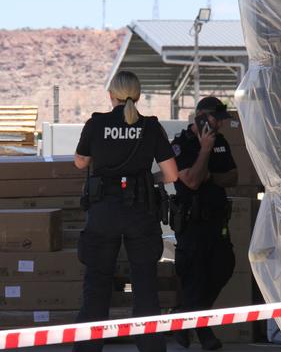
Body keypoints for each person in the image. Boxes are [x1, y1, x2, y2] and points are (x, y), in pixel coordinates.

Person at [73, 71, 179, 352]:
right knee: (145, 286)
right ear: (139, 95)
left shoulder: (97, 124)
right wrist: (145, 180)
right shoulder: (151, 127)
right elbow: (171, 174)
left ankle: (88, 349)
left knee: (96, 285)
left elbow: (80, 163)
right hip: (141, 213)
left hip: (103, 212)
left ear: (111, 95)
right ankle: (151, 347)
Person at [170, 96, 238, 350]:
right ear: (201, 117)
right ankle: (202, 330)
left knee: (223, 267)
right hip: (192, 224)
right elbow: (192, 181)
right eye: (215, 119)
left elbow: (233, 176)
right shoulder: (181, 145)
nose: (219, 125)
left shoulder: (219, 141)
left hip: (216, 220)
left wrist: (210, 173)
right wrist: (205, 151)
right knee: (195, 277)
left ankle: (182, 316)